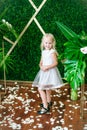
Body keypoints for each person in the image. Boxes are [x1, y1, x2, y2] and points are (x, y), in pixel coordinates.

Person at [32, 33, 64, 114]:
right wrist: (41, 66)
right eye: (46, 43)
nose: (47, 45)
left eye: (49, 43)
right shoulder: (43, 51)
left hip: (50, 72)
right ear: (43, 43)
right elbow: (41, 62)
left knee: (40, 89)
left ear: (52, 43)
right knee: (47, 88)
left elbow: (55, 63)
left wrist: (47, 67)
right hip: (44, 72)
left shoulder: (52, 52)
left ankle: (45, 107)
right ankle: (49, 102)